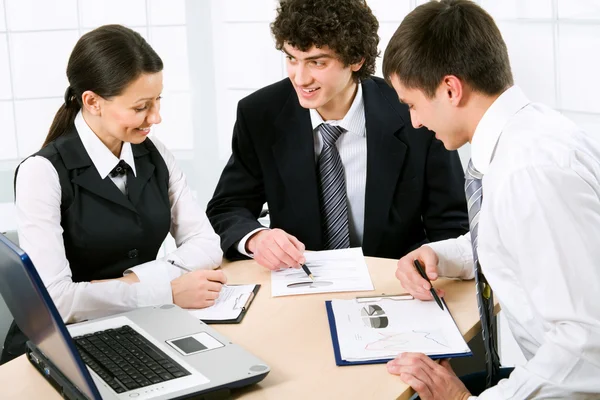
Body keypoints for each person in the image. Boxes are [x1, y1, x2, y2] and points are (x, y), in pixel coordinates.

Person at [382, 1, 600, 398]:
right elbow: (520, 241)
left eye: (412, 104)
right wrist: (438, 254)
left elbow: (588, 346)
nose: (414, 122)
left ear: (450, 88)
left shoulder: (530, 172)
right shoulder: (530, 135)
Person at [1, 25, 226, 364]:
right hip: (59, 348)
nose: (156, 117)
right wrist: (166, 290)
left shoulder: (156, 153)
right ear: (92, 102)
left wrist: (135, 281)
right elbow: (57, 301)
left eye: (158, 101)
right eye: (141, 107)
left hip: (142, 329)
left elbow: (207, 245)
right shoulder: (42, 173)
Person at [206, 0, 469, 270]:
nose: (299, 78)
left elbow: (452, 223)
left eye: (316, 62)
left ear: (356, 59)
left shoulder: (414, 112)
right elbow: (227, 206)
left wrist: (430, 266)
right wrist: (257, 239)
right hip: (297, 285)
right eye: (291, 59)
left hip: (394, 284)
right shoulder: (260, 114)